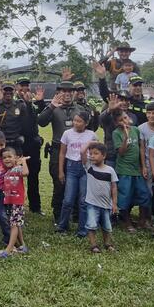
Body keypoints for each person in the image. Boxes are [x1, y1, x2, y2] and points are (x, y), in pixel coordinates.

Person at [37, 80, 87, 223]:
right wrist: (51, 106)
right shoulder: (53, 108)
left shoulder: (79, 108)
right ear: (58, 93)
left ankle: (76, 215)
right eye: (63, 91)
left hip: (76, 151)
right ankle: (58, 214)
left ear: (73, 93)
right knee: (59, 183)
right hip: (58, 150)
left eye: (70, 91)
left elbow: (91, 126)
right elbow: (41, 122)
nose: (67, 93)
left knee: (77, 182)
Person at [57, 111, 98, 236]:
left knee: (83, 200)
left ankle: (82, 229)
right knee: (68, 199)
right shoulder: (67, 133)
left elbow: (97, 150)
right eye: (75, 120)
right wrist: (60, 171)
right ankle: (62, 226)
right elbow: (62, 153)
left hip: (86, 168)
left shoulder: (91, 135)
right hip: (71, 167)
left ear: (86, 123)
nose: (76, 123)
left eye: (79, 121)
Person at [113, 112, 151, 232]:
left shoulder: (136, 130)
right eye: (120, 120)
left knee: (145, 195)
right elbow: (121, 152)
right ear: (116, 123)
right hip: (124, 170)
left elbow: (141, 147)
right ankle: (127, 222)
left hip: (137, 169)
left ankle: (142, 220)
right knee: (124, 197)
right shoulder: (116, 133)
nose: (124, 121)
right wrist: (125, 137)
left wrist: (143, 166)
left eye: (125, 118)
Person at [16, 76, 45, 214]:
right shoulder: (13, 103)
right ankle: (17, 206)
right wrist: (27, 103)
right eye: (22, 86)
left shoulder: (33, 103)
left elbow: (40, 117)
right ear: (17, 88)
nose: (25, 89)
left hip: (33, 144)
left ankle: (35, 207)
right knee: (16, 177)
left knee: (34, 176)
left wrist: (39, 102)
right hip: (18, 145)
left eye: (27, 86)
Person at [83, 142, 118, 253]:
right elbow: (81, 152)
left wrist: (114, 203)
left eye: (96, 153)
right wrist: (90, 143)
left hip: (106, 204)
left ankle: (107, 244)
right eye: (91, 153)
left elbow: (113, 187)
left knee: (107, 226)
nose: (92, 156)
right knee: (91, 225)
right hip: (92, 203)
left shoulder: (110, 170)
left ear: (104, 155)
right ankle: (94, 245)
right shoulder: (89, 167)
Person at [0, 81, 31, 155]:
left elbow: (26, 125)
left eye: (10, 90)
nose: (8, 92)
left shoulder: (20, 105)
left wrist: (22, 137)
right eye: (6, 90)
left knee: (16, 166)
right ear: (1, 90)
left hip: (15, 144)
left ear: (14, 91)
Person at [0, 149, 30, 258]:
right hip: (10, 202)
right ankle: (23, 245)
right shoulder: (7, 171)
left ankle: (9, 249)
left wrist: (23, 161)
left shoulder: (17, 169)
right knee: (17, 224)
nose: (7, 159)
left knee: (14, 225)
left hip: (17, 202)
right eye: (4, 157)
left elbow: (25, 173)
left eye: (9, 156)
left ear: (15, 158)